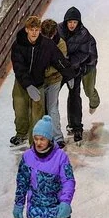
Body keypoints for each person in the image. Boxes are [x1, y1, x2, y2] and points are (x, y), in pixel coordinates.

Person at [10, 16, 74, 146]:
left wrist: (69, 74)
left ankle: (34, 143)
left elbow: (59, 60)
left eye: (36, 29)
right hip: (22, 84)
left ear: (39, 30)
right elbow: (18, 66)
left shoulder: (47, 44)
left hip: (39, 83)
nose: (34, 32)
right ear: (27, 30)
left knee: (36, 116)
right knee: (20, 111)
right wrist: (28, 85)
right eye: (31, 29)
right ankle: (21, 133)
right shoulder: (18, 44)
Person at [13, 116, 76, 218]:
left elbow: (68, 180)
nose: (38, 142)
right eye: (36, 139)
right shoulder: (28, 157)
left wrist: (66, 201)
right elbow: (22, 182)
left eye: (42, 139)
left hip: (57, 204)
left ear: (50, 139)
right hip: (36, 206)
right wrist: (19, 204)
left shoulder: (60, 156)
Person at [58, 7, 99, 144]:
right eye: (70, 22)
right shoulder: (58, 30)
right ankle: (48, 128)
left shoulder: (84, 34)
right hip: (59, 70)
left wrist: (70, 63)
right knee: (50, 98)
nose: (72, 25)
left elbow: (84, 54)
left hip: (78, 68)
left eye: (74, 22)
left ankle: (76, 127)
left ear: (78, 23)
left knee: (78, 94)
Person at [40, 19, 68, 149]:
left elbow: (60, 64)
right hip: (39, 81)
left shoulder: (61, 44)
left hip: (54, 80)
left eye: (50, 35)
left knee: (52, 108)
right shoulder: (37, 42)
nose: (48, 38)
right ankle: (43, 136)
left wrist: (44, 71)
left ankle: (58, 138)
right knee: (40, 110)